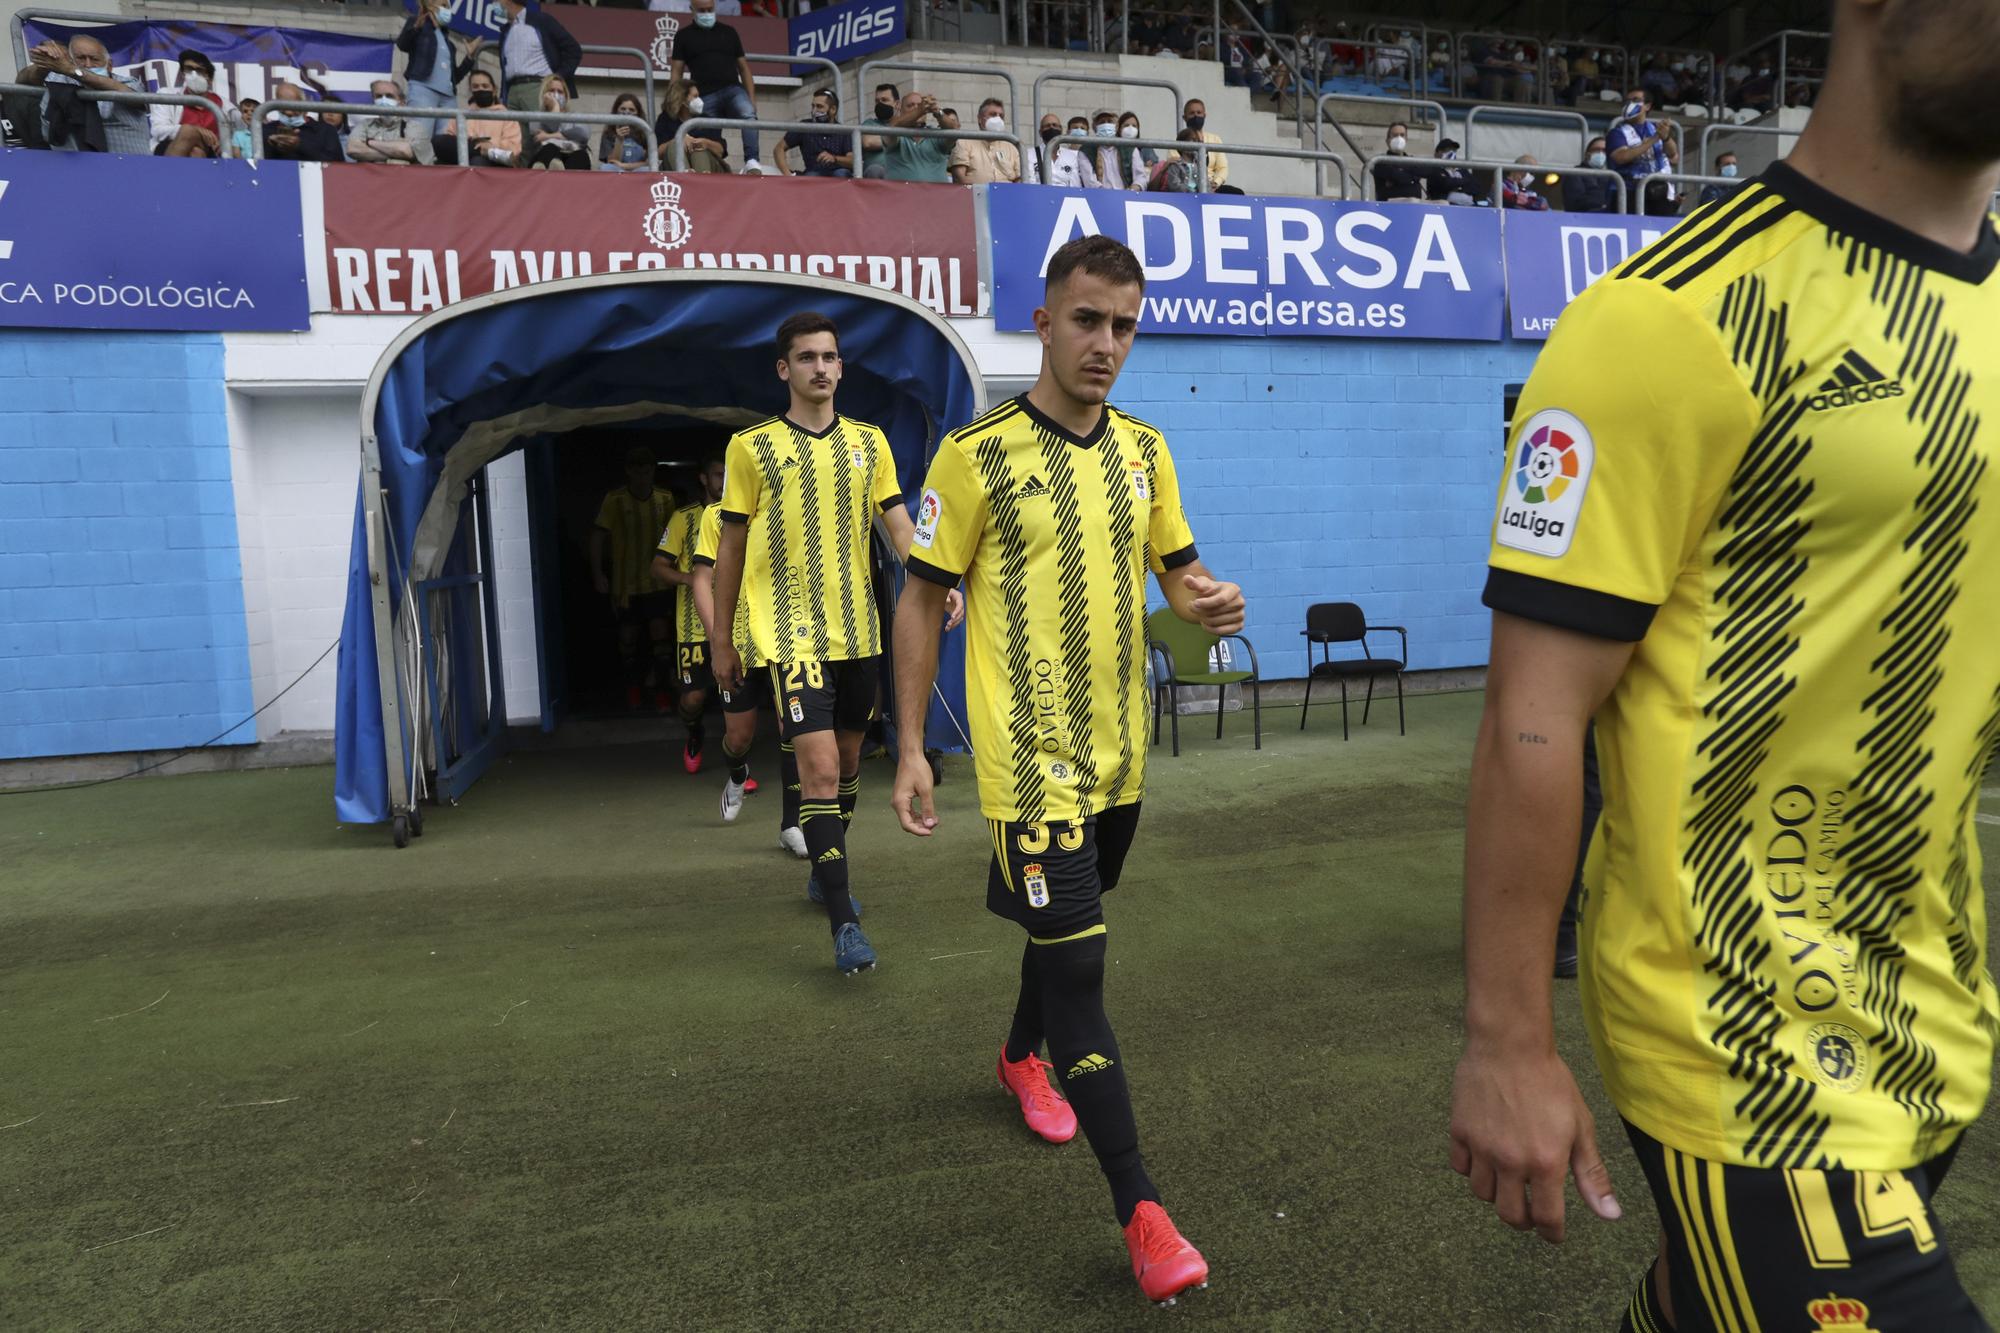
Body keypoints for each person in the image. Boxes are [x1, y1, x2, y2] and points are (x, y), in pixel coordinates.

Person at [1449, 2, 2000, 1330]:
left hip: (1935, 1016)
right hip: (1739, 1043)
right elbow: (1536, 709)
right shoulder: (1662, 319)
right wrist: (1507, 1037)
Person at [890, 233, 1244, 1308]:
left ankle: (1014, 1054)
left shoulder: (1144, 450)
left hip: (1119, 764)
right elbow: (918, 601)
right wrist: (907, 745)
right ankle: (1141, 1211)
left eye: (1123, 325)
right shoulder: (972, 454)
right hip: (1030, 766)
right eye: (1086, 320)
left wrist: (1204, 601)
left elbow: (1176, 574)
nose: (1105, 344)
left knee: (1062, 943)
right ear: (1042, 322)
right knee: (1082, 969)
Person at [708, 312, 961, 975]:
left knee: (848, 767)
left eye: (830, 356)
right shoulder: (750, 448)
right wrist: (722, 637)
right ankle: (844, 921)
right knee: (818, 770)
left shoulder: (870, 442)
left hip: (859, 634)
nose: (820, 367)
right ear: (783, 369)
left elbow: (900, 527)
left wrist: (938, 582)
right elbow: (729, 548)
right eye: (806, 357)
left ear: (841, 367)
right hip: (789, 636)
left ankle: (826, 865)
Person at [653, 457, 728, 775]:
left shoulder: (748, 513)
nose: (724, 480)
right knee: (693, 698)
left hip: (739, 625)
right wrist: (694, 579)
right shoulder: (684, 518)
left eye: (728, 474)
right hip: (694, 627)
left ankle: (739, 766)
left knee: (737, 699)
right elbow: (657, 566)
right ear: (702, 478)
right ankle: (695, 732)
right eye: (717, 474)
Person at [592, 446, 678, 712]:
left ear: (653, 471)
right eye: (636, 468)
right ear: (628, 471)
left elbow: (677, 537)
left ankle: (660, 690)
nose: (642, 474)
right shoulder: (615, 499)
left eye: (647, 468)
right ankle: (633, 689)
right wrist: (598, 573)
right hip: (626, 586)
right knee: (628, 641)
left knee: (661, 641)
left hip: (658, 583)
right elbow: (597, 536)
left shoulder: (665, 499)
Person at [670, 0, 763, 175]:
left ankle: (752, 161)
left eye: (710, 9)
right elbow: (676, 72)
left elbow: (744, 68)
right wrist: (673, 101)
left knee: (749, 114)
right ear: (691, 10)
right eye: (701, 10)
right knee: (703, 139)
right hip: (702, 96)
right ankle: (713, 169)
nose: (706, 13)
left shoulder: (729, 32)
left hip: (732, 90)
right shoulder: (683, 36)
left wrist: (751, 98)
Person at [18, 34, 149, 155]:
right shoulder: (60, 80)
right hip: (73, 168)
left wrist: (74, 71)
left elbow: (135, 98)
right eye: (81, 58)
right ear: (71, 60)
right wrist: (45, 64)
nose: (87, 64)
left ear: (109, 65)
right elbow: (23, 81)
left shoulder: (127, 82)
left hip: (127, 166)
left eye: (94, 59)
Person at [397, 0, 482, 112]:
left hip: (448, 98)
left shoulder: (449, 45)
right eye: (444, 6)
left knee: (448, 130)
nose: (448, 10)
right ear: (431, 6)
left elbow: (455, 77)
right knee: (420, 129)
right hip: (423, 91)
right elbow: (402, 45)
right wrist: (416, 28)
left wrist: (469, 57)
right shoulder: (416, 23)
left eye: (448, 7)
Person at [1606, 86, 1679, 217]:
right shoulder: (1617, 133)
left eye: (1635, 100)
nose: (1629, 104)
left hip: (1659, 193)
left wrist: (1666, 137)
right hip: (1628, 193)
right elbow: (1621, 157)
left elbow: (1673, 156)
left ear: (1647, 106)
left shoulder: (1655, 128)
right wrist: (1654, 139)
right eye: (1627, 101)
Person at [497, 0, 579, 112]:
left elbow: (573, 49)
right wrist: (503, 96)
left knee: (539, 129)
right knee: (513, 130)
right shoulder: (506, 31)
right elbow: (505, 68)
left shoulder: (542, 20)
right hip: (512, 92)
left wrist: (557, 78)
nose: (494, 4)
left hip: (537, 87)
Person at [148, 49, 225, 158]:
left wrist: (226, 143)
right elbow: (158, 130)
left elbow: (238, 134)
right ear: (183, 73)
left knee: (196, 150)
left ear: (210, 78)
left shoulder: (225, 105)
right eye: (189, 69)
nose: (194, 74)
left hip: (210, 152)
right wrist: (196, 131)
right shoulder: (167, 95)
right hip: (170, 144)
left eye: (199, 70)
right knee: (189, 134)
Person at [348, 79, 438, 166]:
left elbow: (406, 151)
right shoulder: (364, 125)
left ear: (402, 102)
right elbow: (352, 149)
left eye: (389, 96)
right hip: (371, 179)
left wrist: (370, 142)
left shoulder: (414, 127)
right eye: (379, 96)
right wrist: (395, 154)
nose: (383, 100)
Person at [878, 90, 955, 183]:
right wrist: (920, 110)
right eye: (910, 105)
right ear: (900, 111)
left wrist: (937, 111)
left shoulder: (936, 134)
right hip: (901, 196)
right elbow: (892, 128)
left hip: (936, 196)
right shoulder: (897, 134)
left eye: (919, 105)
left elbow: (953, 131)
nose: (916, 108)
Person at [657, 78, 727, 172]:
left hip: (710, 166)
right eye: (695, 96)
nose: (699, 100)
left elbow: (720, 151)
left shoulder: (706, 119)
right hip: (674, 167)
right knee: (675, 145)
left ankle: (698, 180)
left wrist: (704, 142)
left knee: (698, 149)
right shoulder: (665, 119)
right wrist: (679, 140)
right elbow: (657, 153)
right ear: (681, 99)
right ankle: (686, 176)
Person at [261, 84, 345, 162]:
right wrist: (270, 145)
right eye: (283, 106)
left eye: (293, 106)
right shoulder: (266, 130)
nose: (288, 112)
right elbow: (257, 165)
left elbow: (337, 166)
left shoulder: (326, 131)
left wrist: (300, 145)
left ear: (305, 106)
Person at [782, 87, 853, 177]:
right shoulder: (805, 126)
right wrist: (787, 174)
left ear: (833, 109)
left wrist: (834, 158)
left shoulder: (844, 131)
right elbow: (779, 149)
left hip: (838, 174)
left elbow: (853, 161)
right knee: (812, 176)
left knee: (841, 174)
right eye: (813, 106)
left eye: (819, 106)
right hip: (813, 174)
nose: (814, 111)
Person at [948, 97, 1020, 185]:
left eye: (1001, 116)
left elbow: (1020, 180)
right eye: (993, 114)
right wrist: (987, 189)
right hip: (974, 196)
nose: (998, 119)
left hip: (1007, 196)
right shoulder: (964, 142)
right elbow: (959, 179)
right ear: (979, 118)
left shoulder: (1011, 147)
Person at [458, 69, 522, 167]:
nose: (480, 89)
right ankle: (480, 151)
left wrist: (491, 145)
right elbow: (450, 141)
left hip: (497, 163)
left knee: (477, 161)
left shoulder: (507, 117)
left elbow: (514, 148)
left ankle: (482, 151)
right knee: (439, 141)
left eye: (485, 86)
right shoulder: (462, 115)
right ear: (471, 90)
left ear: (494, 90)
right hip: (466, 159)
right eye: (475, 87)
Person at [524, 75, 590, 170]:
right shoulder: (537, 116)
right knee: (550, 148)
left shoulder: (575, 116)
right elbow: (540, 137)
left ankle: (564, 180)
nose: (556, 94)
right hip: (545, 157)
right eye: (551, 91)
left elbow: (583, 134)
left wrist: (549, 136)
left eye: (560, 92)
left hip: (570, 156)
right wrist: (555, 107)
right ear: (544, 94)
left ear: (566, 96)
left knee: (581, 155)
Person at [1033, 113, 1098, 188]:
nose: (1051, 128)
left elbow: (1075, 186)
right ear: (1040, 132)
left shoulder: (1071, 156)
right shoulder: (1030, 154)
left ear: (1061, 129)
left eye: (1054, 125)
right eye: (1047, 126)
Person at [1562, 137, 1620, 213]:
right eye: (1596, 150)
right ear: (1587, 154)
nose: (1600, 153)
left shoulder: (1611, 176)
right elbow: (1574, 202)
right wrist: (1603, 204)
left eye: (1604, 151)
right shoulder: (1575, 173)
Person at [597, 92, 651, 171]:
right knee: (605, 168)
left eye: (631, 110)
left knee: (647, 170)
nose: (626, 113)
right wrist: (619, 139)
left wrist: (625, 166)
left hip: (638, 170)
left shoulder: (645, 132)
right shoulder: (608, 133)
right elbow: (611, 162)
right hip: (618, 171)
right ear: (616, 111)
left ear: (638, 113)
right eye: (623, 109)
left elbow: (649, 162)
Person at [1372, 120, 1424, 202]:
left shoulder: (1413, 160)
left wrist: (1403, 173)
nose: (1399, 138)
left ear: (1406, 139)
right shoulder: (1381, 161)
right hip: (1390, 208)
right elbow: (1400, 177)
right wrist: (1412, 178)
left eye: (1402, 135)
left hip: (1415, 207)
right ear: (1388, 140)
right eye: (1395, 135)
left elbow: (1424, 172)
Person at [860, 82, 898, 179]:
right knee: (875, 170)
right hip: (877, 174)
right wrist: (899, 138)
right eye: (877, 101)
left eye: (884, 100)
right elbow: (868, 142)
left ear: (897, 104)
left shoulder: (905, 125)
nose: (880, 103)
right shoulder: (869, 124)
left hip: (900, 173)